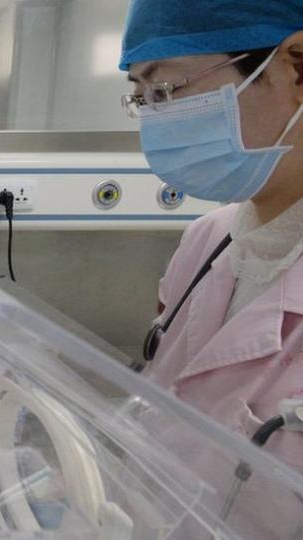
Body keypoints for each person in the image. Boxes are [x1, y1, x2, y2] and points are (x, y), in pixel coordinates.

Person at [121, 1, 303, 537]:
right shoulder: (208, 241)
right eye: (141, 98)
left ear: (296, 68)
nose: (155, 117)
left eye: (168, 91)